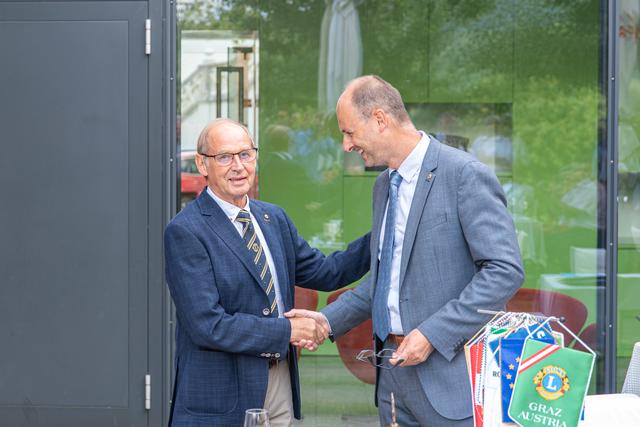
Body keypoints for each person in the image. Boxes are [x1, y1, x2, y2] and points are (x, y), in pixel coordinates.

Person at [286, 76, 524, 426]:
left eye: (349, 132)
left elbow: (504, 271)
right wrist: (326, 320)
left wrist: (432, 334)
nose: (345, 145)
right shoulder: (384, 184)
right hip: (393, 381)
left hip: (451, 382)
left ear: (380, 120)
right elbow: (386, 281)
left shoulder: (464, 174)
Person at [164, 118, 370, 427]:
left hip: (279, 382)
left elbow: (327, 272)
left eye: (245, 154)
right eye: (225, 157)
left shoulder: (272, 218)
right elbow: (207, 324)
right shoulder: (186, 231)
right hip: (225, 395)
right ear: (202, 164)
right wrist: (288, 332)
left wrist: (384, 232)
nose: (238, 166)